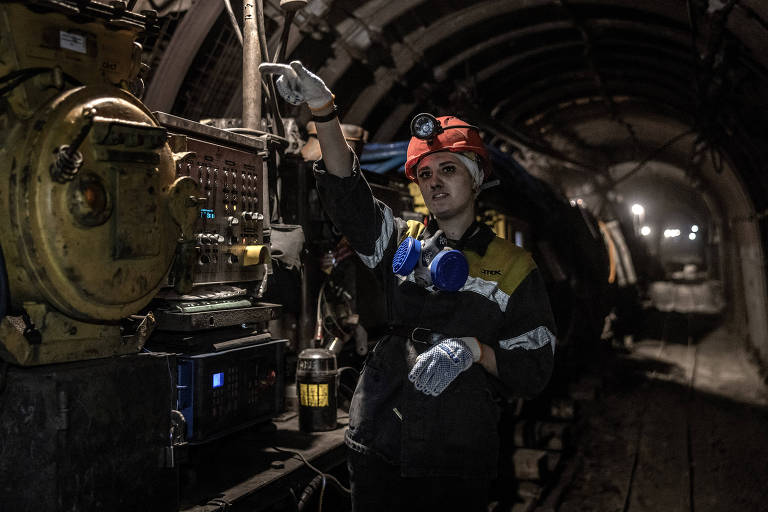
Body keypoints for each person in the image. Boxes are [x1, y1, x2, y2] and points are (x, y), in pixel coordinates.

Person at [260, 61, 556, 511]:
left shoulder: (513, 266)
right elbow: (348, 191)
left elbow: (535, 366)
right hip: (381, 441)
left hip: (456, 455)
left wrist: (474, 350)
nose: (435, 181)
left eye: (449, 170)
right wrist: (323, 110)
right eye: (425, 174)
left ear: (475, 177)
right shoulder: (402, 240)